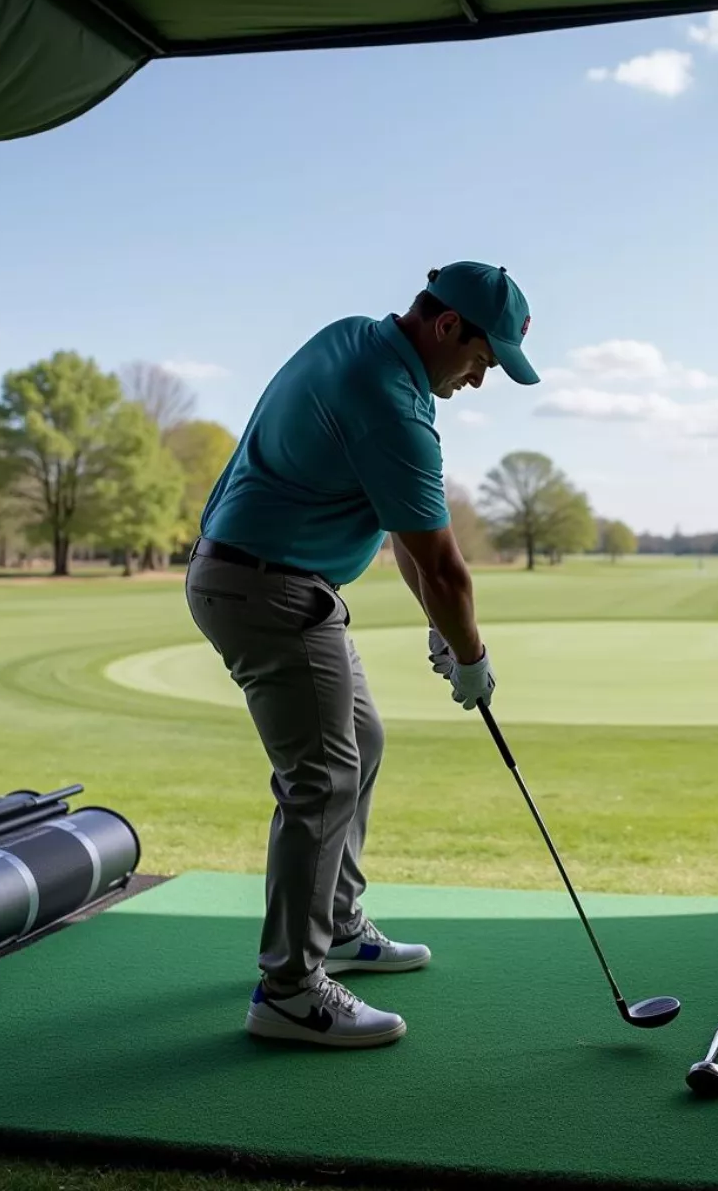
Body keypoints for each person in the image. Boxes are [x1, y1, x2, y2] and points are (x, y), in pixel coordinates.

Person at [184, 261, 539, 1049]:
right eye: (484, 361)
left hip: (267, 579)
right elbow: (445, 566)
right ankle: (290, 989)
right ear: (447, 328)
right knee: (321, 778)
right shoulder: (391, 407)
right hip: (267, 588)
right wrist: (472, 657)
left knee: (361, 744)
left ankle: (338, 926)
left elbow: (411, 544)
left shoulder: (357, 342)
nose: (480, 381)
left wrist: (446, 632)